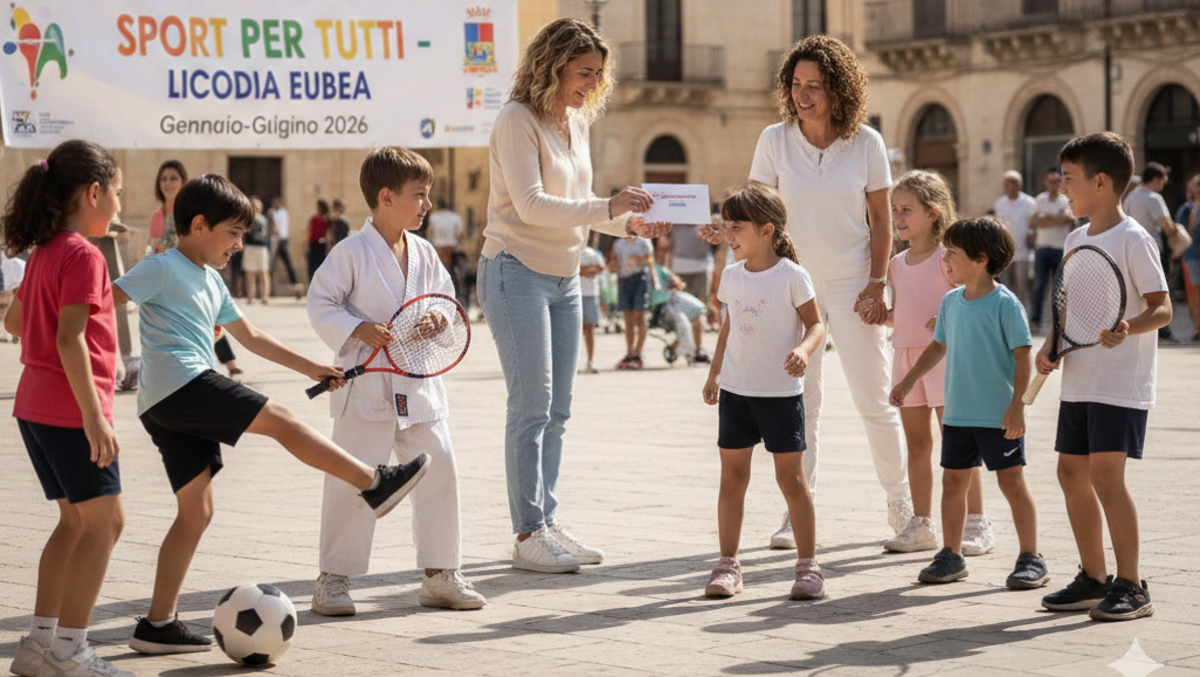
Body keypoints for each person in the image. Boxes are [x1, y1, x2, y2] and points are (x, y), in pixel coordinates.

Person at [115, 174, 431, 654]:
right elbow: (101, 299)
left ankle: (156, 625)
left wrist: (316, 367)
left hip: (167, 405)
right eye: (233, 234)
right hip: (180, 385)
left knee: (196, 512)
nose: (240, 246)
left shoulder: (209, 280)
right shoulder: (161, 267)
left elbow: (253, 337)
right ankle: (373, 481)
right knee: (282, 420)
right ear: (199, 225)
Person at [479, 17, 669, 573]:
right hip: (514, 270)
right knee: (530, 407)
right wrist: (610, 207)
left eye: (598, 75)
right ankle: (526, 533)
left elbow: (581, 203)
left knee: (559, 410)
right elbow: (534, 205)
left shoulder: (576, 122)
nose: (591, 83)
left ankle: (548, 520)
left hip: (565, 276)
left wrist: (630, 227)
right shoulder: (517, 120)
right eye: (584, 72)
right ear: (554, 64)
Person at [718, 35, 911, 548]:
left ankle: (903, 507)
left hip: (854, 286)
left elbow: (880, 219)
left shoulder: (866, 144)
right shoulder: (773, 140)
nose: (804, 95)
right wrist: (728, 232)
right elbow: (757, 211)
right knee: (803, 402)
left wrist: (877, 283)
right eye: (797, 85)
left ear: (838, 90)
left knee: (876, 398)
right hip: (792, 284)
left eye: (816, 86)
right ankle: (795, 514)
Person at [307, 147, 485, 616]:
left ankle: (440, 574)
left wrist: (435, 319)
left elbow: (445, 300)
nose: (427, 204)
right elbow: (321, 302)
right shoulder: (350, 251)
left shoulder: (424, 252)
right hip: (366, 386)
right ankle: (333, 579)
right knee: (351, 477)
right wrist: (356, 328)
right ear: (386, 197)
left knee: (441, 466)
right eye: (419, 195)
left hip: (418, 382)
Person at [2, 141, 133, 677]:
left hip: (35, 407)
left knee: (75, 524)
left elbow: (13, 322)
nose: (122, 206)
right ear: (94, 193)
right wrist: (95, 415)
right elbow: (70, 338)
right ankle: (70, 651)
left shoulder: (46, 250)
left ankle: (38, 646)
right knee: (106, 524)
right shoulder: (82, 254)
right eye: (119, 194)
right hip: (66, 411)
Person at [1038, 133, 1172, 621]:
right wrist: (1051, 346)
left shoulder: (1134, 238)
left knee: (1105, 476)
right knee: (1069, 472)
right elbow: (1067, 307)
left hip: (1121, 381)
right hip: (1079, 378)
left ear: (1100, 182)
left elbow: (1162, 308)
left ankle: (1132, 585)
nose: (1062, 188)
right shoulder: (1075, 240)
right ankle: (1094, 579)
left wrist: (1127, 326)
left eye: (1069, 180)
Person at [891, 217, 1046, 590]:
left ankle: (1031, 558)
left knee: (1012, 483)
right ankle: (951, 554)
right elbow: (938, 346)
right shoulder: (951, 302)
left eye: (952, 253)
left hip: (997, 414)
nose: (945, 259)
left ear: (980, 259)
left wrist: (1018, 406)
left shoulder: (1005, 304)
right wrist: (909, 381)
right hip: (958, 413)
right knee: (953, 484)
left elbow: (1024, 356)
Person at [701, 183, 826, 600]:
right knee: (731, 480)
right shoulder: (731, 276)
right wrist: (714, 374)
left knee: (791, 479)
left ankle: (808, 567)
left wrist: (804, 352)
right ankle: (728, 564)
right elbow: (729, 327)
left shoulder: (793, 276)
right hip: (736, 394)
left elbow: (816, 325)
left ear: (767, 230)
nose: (728, 234)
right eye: (725, 226)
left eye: (736, 227)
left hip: (780, 395)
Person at [865, 170, 992, 555]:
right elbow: (903, 313)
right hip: (905, 359)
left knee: (957, 444)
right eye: (894, 210)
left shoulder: (946, 258)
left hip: (945, 359)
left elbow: (969, 299)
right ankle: (921, 524)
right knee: (917, 444)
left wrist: (948, 321)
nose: (898, 217)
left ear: (934, 212)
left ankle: (976, 521)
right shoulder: (896, 264)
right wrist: (880, 315)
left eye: (907, 209)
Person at [1125, 162, 1181, 340]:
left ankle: (1138, 326)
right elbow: (1166, 225)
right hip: (1153, 250)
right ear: (1156, 179)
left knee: (1136, 291)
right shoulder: (1154, 197)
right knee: (1160, 293)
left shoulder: (1130, 197)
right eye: (1163, 181)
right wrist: (1176, 232)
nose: (1163, 185)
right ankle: (1163, 330)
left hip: (1130, 249)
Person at [1029, 167, 1075, 332]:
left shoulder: (1065, 199)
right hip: (1042, 248)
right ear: (1046, 182)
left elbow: (1068, 218)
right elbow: (1034, 221)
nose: (1053, 184)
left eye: (1056, 181)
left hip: (1059, 249)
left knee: (1060, 288)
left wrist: (1046, 219)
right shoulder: (1040, 199)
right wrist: (1057, 219)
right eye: (1050, 181)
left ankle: (1059, 322)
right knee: (1039, 286)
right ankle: (1035, 321)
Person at [993, 170, 1038, 309]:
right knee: (1005, 286)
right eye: (1009, 183)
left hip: (1023, 251)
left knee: (1022, 286)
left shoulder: (1030, 202)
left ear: (1020, 185)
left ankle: (1023, 315)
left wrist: (1032, 233)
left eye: (1015, 183)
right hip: (1005, 251)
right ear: (1004, 185)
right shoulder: (999, 204)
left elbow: (1035, 223)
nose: (1012, 186)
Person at [612, 234, 654, 369]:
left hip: (639, 279)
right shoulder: (618, 244)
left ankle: (638, 352)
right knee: (627, 318)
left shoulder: (644, 242)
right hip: (624, 279)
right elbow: (615, 262)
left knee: (639, 316)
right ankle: (630, 352)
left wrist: (637, 259)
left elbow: (650, 260)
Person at [1174, 174, 1200, 341]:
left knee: (1195, 294)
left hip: (1192, 256)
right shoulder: (1188, 208)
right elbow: (1179, 230)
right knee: (1195, 294)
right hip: (1192, 256)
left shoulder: (1187, 208)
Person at [579, 237, 606, 373]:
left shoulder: (594, 253)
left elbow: (600, 268)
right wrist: (585, 270)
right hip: (574, 294)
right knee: (574, 330)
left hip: (590, 294)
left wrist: (584, 270)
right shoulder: (572, 251)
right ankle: (573, 362)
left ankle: (590, 360)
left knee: (589, 329)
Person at [149, 160, 186, 254]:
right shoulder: (156, 216)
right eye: (164, 179)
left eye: (173, 178)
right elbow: (154, 248)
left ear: (183, 182)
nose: (168, 183)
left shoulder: (189, 214)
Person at [268, 197, 299, 296]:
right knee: (271, 263)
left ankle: (295, 284)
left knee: (287, 262)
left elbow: (279, 226)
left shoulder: (283, 212)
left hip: (281, 239)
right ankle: (271, 288)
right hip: (274, 239)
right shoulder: (271, 211)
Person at [242, 197, 271, 304]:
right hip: (250, 246)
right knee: (250, 272)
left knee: (263, 272)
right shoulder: (247, 219)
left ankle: (264, 295)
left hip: (261, 246)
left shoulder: (263, 219)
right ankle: (250, 296)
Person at [428, 198, 465, 271]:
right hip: (450, 244)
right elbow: (458, 233)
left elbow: (430, 232)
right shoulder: (455, 216)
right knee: (448, 266)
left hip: (437, 244)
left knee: (438, 266)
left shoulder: (434, 217)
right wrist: (459, 244)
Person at [307, 199, 331, 283]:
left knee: (320, 264)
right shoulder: (315, 218)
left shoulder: (326, 219)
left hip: (321, 244)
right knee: (313, 265)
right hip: (314, 243)